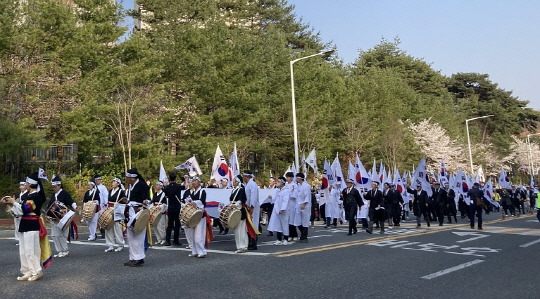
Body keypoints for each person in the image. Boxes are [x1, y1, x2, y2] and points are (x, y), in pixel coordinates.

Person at [5, 172, 49, 281]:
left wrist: (14, 203)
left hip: (32, 225)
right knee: (23, 250)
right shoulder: (27, 196)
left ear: (30, 184)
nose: (25, 184)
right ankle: (27, 271)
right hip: (25, 224)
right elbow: (20, 211)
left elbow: (26, 209)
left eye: (26, 183)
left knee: (31, 250)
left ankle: (36, 271)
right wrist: (12, 205)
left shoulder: (36, 196)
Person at [124, 168, 151, 267]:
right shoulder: (131, 186)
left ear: (132, 178)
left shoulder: (142, 185)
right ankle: (134, 257)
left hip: (138, 211)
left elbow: (148, 199)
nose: (127, 179)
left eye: (128, 177)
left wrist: (146, 201)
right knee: (131, 236)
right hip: (131, 211)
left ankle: (138, 258)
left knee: (138, 235)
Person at [47, 175, 77, 258]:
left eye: (55, 186)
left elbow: (70, 201)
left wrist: (75, 207)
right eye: (53, 187)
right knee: (54, 235)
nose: (54, 188)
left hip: (63, 216)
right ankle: (59, 250)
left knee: (61, 235)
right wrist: (48, 215)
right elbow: (50, 206)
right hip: (54, 218)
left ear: (59, 185)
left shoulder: (64, 193)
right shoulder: (54, 195)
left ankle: (65, 250)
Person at [182, 176, 208, 258]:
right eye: (193, 181)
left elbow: (203, 202)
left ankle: (202, 251)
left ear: (199, 182)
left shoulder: (202, 191)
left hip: (199, 215)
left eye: (195, 181)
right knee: (192, 235)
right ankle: (194, 251)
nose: (193, 182)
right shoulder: (191, 192)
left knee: (198, 235)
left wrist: (195, 203)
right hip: (192, 215)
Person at [105, 178, 125, 252]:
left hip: (117, 211)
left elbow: (124, 202)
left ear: (118, 184)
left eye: (114, 182)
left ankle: (120, 244)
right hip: (110, 210)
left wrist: (118, 205)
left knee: (117, 228)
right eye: (112, 181)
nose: (113, 183)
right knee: (108, 227)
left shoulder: (121, 192)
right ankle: (110, 244)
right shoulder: (110, 191)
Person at [268, 177, 290, 245]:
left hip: (283, 210)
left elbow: (285, 201)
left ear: (282, 182)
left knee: (284, 224)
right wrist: (271, 198)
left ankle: (286, 238)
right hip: (276, 209)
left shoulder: (286, 191)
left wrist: (282, 209)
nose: (277, 183)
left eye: (278, 181)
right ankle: (279, 239)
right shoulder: (278, 190)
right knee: (277, 224)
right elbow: (276, 200)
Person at [163, 173, 183, 246]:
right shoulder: (178, 186)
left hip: (170, 207)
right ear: (175, 179)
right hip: (177, 206)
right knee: (177, 225)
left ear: (169, 179)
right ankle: (176, 240)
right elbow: (185, 187)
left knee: (169, 225)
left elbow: (166, 196)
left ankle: (167, 240)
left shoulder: (167, 187)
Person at [230, 175, 248, 253]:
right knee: (237, 230)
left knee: (241, 229)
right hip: (234, 210)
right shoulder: (234, 190)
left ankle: (243, 246)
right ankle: (239, 246)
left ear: (238, 182)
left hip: (240, 210)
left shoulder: (241, 189)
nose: (233, 182)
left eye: (235, 181)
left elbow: (241, 200)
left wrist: (236, 205)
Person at [243, 170, 260, 249]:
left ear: (246, 176)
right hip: (248, 207)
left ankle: (254, 243)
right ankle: (250, 241)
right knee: (249, 224)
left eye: (244, 176)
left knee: (253, 224)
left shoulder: (252, 184)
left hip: (252, 207)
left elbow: (253, 196)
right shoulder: (247, 184)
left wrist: (252, 206)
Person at [294, 173, 311, 243]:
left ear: (301, 178)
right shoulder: (298, 186)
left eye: (297, 178)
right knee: (298, 221)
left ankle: (304, 237)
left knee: (305, 221)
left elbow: (307, 196)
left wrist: (304, 204)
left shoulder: (306, 186)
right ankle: (302, 234)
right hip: (298, 205)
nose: (296, 180)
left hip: (305, 206)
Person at [151, 181, 167, 245]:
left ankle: (163, 238)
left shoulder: (163, 194)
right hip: (155, 211)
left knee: (160, 226)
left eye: (158, 185)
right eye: (156, 185)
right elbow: (153, 202)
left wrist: (160, 207)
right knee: (155, 225)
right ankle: (159, 239)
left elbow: (165, 204)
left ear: (161, 186)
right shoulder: (155, 194)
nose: (156, 186)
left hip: (160, 211)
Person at [93, 175, 109, 239]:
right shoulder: (93, 187)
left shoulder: (103, 187)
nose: (98, 181)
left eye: (99, 180)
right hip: (95, 205)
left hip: (101, 205)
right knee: (94, 220)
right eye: (97, 180)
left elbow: (105, 195)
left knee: (101, 219)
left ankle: (103, 231)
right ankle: (93, 233)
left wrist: (106, 203)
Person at [285, 172, 298, 241]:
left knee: (292, 221)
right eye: (286, 177)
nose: (287, 179)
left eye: (288, 177)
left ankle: (295, 235)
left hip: (292, 205)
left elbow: (295, 195)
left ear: (291, 178)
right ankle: (290, 235)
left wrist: (291, 192)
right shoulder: (286, 185)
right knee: (287, 220)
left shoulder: (294, 185)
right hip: (287, 205)